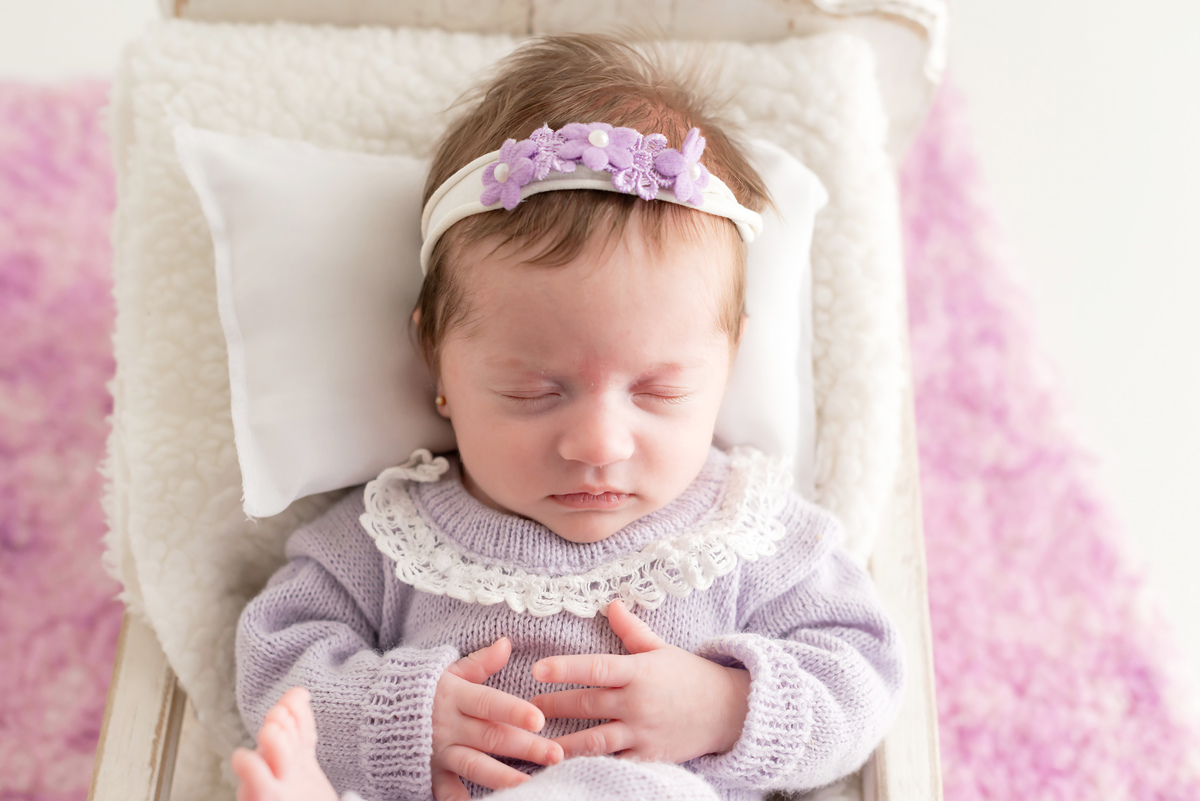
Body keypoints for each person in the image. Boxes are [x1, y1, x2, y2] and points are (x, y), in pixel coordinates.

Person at [233, 32, 904, 801]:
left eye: (658, 391)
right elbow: (276, 662)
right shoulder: (392, 538)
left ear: (728, 364)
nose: (597, 443)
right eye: (532, 392)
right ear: (438, 362)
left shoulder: (751, 532)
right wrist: (400, 717)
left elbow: (865, 670)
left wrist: (726, 705)